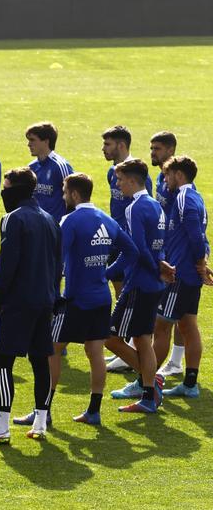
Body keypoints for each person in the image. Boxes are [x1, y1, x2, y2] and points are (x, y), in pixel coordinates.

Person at [14, 174, 135, 427]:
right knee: (95, 352)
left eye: (64, 192)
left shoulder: (70, 221)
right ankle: (93, 411)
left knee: (52, 351)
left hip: (75, 300)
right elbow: (131, 251)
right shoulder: (106, 219)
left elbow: (56, 261)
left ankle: (43, 412)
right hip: (101, 298)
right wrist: (107, 273)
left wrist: (52, 294)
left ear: (75, 195)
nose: (62, 196)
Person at [0, 168, 60, 444]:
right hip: (45, 300)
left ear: (16, 190)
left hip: (17, 302)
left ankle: (1, 426)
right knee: (40, 361)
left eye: (6, 187)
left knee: (2, 361)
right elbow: (58, 266)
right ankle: (41, 423)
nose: (3, 193)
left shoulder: (13, 219)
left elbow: (8, 265)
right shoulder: (50, 220)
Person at [103, 159, 167, 413]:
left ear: (131, 180)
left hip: (139, 283)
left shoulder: (134, 208)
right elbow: (158, 246)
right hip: (153, 283)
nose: (118, 185)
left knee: (110, 337)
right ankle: (149, 391)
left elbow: (137, 249)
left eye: (120, 180)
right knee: (142, 339)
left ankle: (150, 383)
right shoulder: (156, 206)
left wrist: (107, 272)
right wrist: (161, 268)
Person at [154, 156, 211, 398]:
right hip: (189, 275)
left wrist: (200, 262)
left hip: (179, 274)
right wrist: (203, 262)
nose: (165, 180)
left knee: (160, 327)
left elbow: (196, 235)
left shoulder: (184, 198)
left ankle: (146, 381)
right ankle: (189, 384)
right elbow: (202, 236)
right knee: (188, 326)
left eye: (167, 175)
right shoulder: (196, 197)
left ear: (179, 175)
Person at [102, 126, 151, 374]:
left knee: (127, 299)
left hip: (130, 246)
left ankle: (132, 355)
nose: (103, 149)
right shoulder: (114, 172)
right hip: (116, 240)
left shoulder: (135, 175)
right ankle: (128, 349)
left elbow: (145, 213)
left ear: (121, 145)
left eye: (108, 144)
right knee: (120, 292)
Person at [148, 132, 188, 378]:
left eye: (158, 149)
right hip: (164, 247)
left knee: (176, 313)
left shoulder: (178, 185)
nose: (153, 153)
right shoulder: (161, 178)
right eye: (152, 148)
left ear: (171, 150)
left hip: (175, 252)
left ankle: (174, 361)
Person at [25, 122, 74, 223]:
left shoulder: (60, 166)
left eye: (32, 140)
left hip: (56, 226)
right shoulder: (31, 167)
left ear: (46, 141)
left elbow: (73, 197)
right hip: (37, 226)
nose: (28, 144)